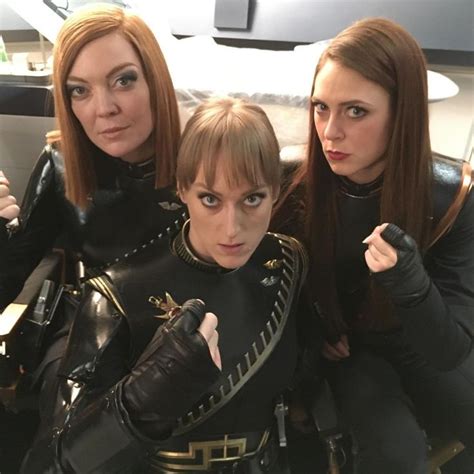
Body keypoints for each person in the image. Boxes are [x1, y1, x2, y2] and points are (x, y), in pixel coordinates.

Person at [21, 97, 310, 473]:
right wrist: (144, 399)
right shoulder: (116, 295)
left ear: (275, 191)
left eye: (252, 199)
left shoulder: (290, 262)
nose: (232, 228)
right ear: (182, 190)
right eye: (210, 199)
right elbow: (51, 464)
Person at [273, 17, 474, 474]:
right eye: (321, 108)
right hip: (346, 356)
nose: (330, 132)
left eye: (356, 111)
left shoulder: (454, 197)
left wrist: (409, 283)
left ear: (401, 113)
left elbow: (449, 350)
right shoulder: (292, 184)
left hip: (420, 344)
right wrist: (313, 335)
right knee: (397, 454)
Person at [0, 4, 183, 471]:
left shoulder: (204, 155)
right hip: (89, 323)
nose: (104, 108)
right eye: (79, 90)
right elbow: (9, 278)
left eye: (123, 80)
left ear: (154, 80)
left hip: (191, 323)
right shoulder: (62, 165)